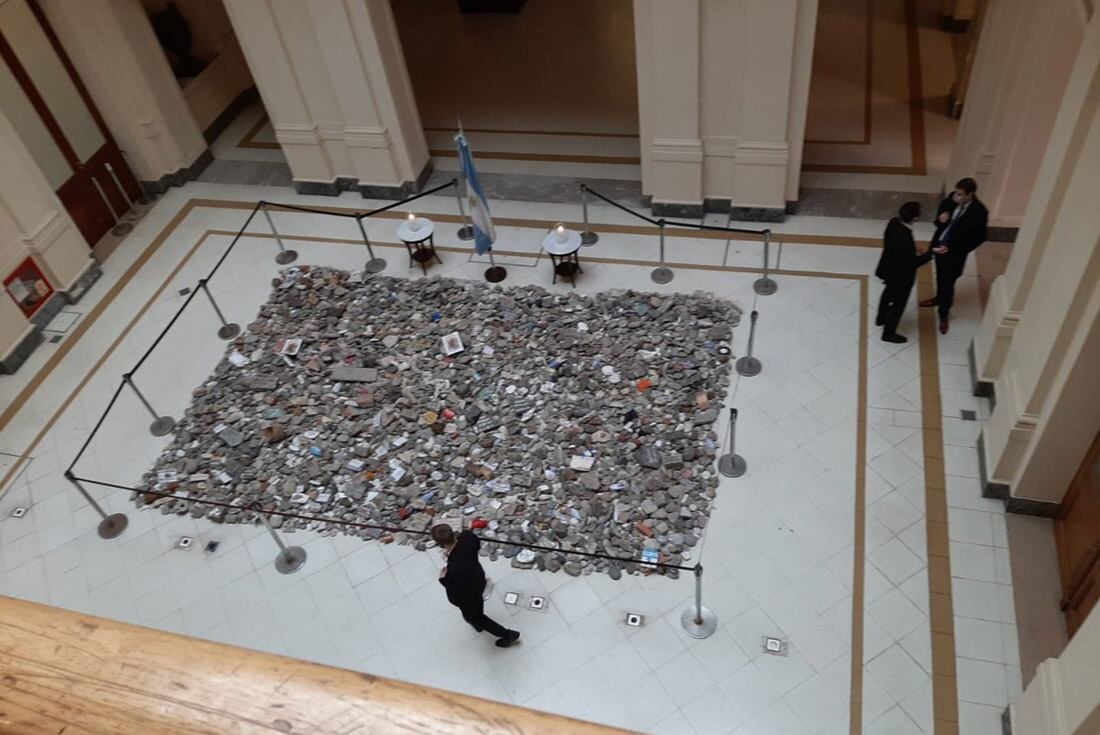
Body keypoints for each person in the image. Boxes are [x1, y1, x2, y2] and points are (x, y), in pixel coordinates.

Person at [432, 523, 520, 648]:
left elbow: (456, 588)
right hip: (478, 578)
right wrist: (452, 553)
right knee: (475, 612)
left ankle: (507, 635)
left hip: (469, 595)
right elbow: (471, 544)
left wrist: (443, 579)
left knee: (475, 617)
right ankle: (478, 625)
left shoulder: (456, 568)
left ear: (440, 544)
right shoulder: (467, 537)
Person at [919, 177, 988, 334]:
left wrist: (954, 249)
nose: (957, 197)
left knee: (948, 284)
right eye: (957, 193)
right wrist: (940, 219)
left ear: (970, 194)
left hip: (954, 255)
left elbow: (979, 237)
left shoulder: (979, 211)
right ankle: (938, 298)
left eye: (961, 194)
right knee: (940, 277)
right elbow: (938, 223)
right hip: (939, 247)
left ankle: (944, 313)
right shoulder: (950, 201)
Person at [875, 201, 935, 343]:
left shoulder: (893, 222)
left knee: (887, 293)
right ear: (915, 218)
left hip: (888, 269)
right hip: (902, 277)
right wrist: (930, 254)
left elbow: (896, 244)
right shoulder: (905, 239)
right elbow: (912, 263)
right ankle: (888, 333)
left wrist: (913, 248)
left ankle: (881, 317)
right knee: (898, 305)